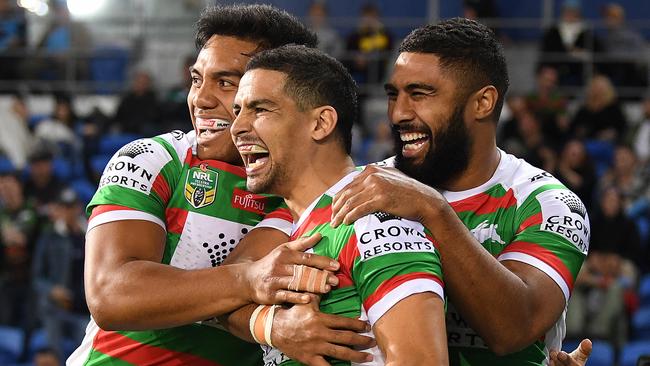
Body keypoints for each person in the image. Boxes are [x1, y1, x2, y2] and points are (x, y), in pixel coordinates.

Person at [67, 5, 372, 366]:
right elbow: (110, 295)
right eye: (197, 79)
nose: (201, 99)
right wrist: (255, 296)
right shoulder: (152, 159)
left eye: (226, 83)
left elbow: (241, 300)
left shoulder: (299, 189)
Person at [330, 18, 590, 365]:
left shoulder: (547, 203)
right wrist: (273, 323)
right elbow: (250, 273)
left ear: (482, 103)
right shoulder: (360, 187)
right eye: (394, 94)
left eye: (420, 94)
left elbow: (514, 327)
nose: (398, 114)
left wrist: (432, 209)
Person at [230, 44, 447, 365]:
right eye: (238, 111)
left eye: (260, 109)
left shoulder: (371, 220)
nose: (238, 128)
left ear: (320, 123)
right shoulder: (297, 226)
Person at [32, 188, 89, 358]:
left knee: (86, 347)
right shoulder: (49, 236)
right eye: (64, 207)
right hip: (57, 306)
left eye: (71, 207)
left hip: (84, 307)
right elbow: (37, 277)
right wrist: (52, 290)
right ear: (58, 209)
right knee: (52, 345)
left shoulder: (92, 234)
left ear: (78, 208)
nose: (68, 212)